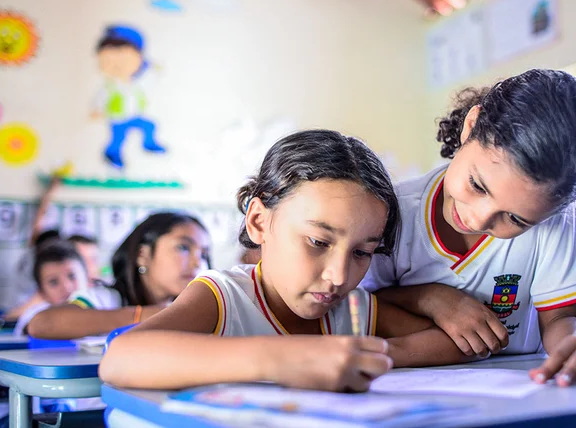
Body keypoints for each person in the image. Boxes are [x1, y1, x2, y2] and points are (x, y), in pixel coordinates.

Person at [99, 130, 476, 393]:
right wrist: (284, 359)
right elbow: (121, 358)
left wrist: (374, 355)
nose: (339, 275)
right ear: (260, 222)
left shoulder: (351, 310)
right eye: (317, 241)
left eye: (362, 252)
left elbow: (460, 342)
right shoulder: (225, 297)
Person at [362, 69, 576, 387]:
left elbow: (562, 319)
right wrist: (430, 297)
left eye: (516, 219)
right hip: (409, 379)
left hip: (521, 384)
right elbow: (362, 304)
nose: (479, 219)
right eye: (477, 185)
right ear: (471, 126)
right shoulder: (396, 209)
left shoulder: (554, 219)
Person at [27, 212, 210, 340]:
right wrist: (146, 315)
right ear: (142, 254)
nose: (197, 263)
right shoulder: (106, 299)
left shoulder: (199, 308)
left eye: (203, 254)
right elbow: (42, 324)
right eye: (183, 247)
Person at [92, 25, 165, 169]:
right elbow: (101, 97)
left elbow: (151, 78)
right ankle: (112, 154)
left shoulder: (137, 82)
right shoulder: (112, 85)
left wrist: (153, 69)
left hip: (133, 115)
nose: (118, 65)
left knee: (149, 126)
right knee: (118, 139)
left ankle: (149, 144)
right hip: (117, 118)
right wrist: (97, 109)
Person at [2, 178, 62, 320]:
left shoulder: (33, 251)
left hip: (14, 310)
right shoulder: (38, 263)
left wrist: (50, 191)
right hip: (18, 313)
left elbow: (38, 221)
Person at [13, 241, 87, 335]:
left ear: (86, 277)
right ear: (42, 292)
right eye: (53, 282)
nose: (66, 287)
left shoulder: (105, 305)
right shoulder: (33, 318)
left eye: (72, 276)